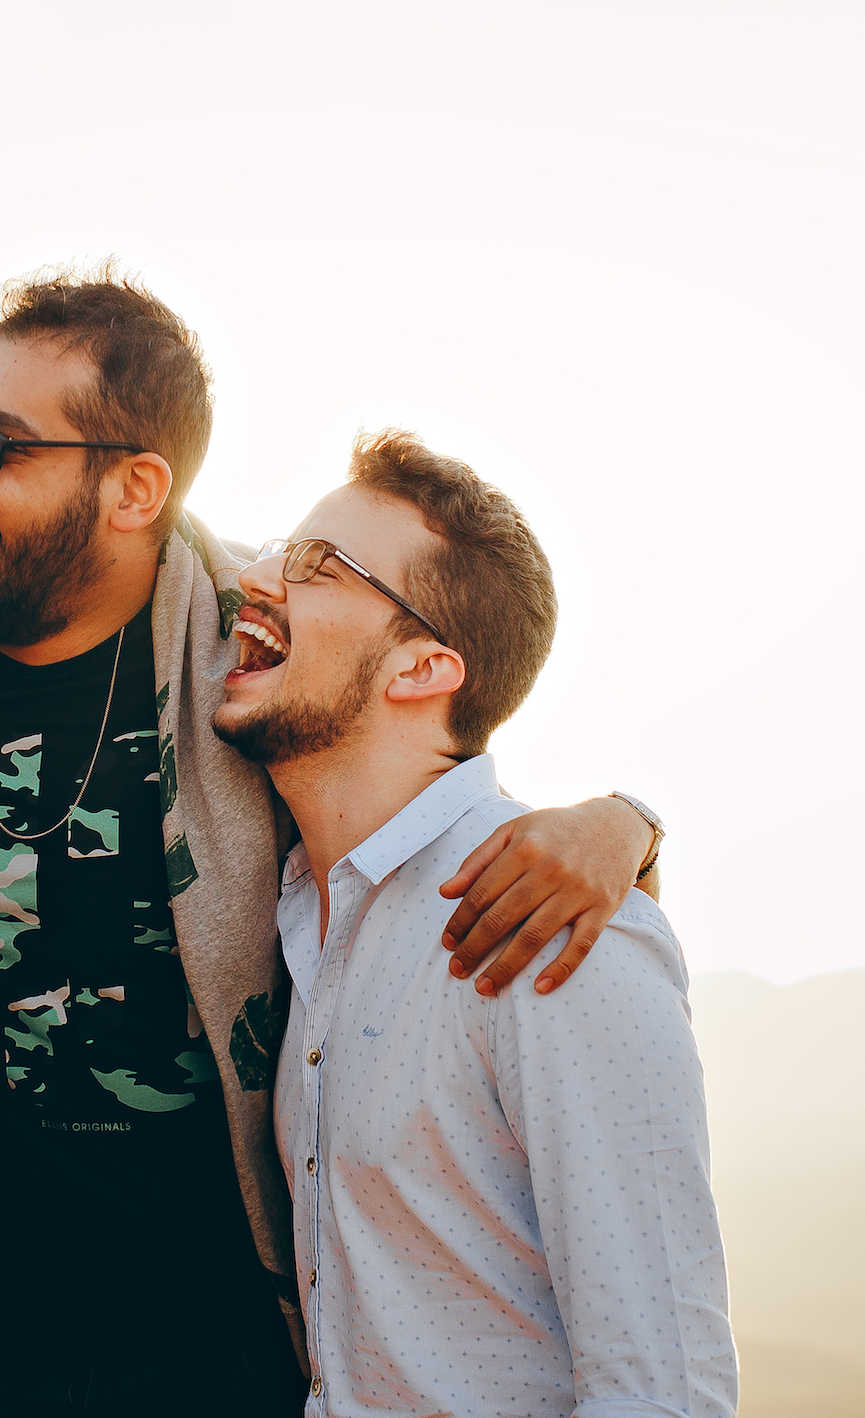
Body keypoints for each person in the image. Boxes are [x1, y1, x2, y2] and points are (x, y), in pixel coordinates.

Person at [0, 266, 672, 1415]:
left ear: (134, 487)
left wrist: (623, 824)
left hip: (233, 1369)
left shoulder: (251, 655)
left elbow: (422, 766)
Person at [215, 428, 736, 1416]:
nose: (257, 577)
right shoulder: (300, 917)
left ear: (422, 670)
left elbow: (663, 1390)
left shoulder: (557, 926)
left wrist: (633, 824)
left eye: (318, 566)